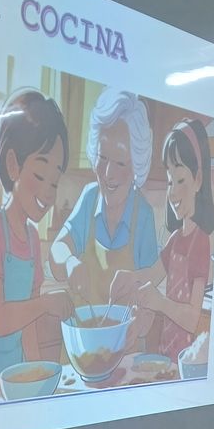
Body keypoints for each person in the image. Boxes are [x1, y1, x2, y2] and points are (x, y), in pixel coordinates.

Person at [0, 89, 73, 383]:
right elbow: (0, 321)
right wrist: (47, 304)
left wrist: (37, 374)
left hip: (15, 366)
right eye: (40, 176)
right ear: (13, 165)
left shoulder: (34, 239)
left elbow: (28, 327)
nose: (48, 192)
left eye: (54, 182)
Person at [110, 118, 214, 363]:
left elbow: (192, 318)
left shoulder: (200, 242)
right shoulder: (176, 239)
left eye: (180, 181)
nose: (173, 192)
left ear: (198, 180)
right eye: (170, 181)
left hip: (186, 359)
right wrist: (129, 278)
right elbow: (153, 274)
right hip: (166, 351)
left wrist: (159, 302)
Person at [49, 88, 158, 307]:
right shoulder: (89, 198)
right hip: (80, 328)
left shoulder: (143, 215)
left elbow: (151, 286)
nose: (108, 173)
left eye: (120, 162)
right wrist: (69, 262)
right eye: (103, 157)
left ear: (136, 164)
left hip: (125, 329)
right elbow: (56, 250)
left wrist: (140, 316)